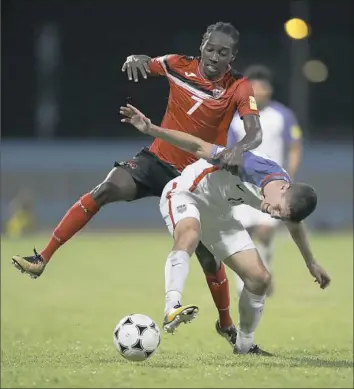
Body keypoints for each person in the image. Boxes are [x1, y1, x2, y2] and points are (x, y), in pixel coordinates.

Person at [11, 22, 263, 347]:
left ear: (232, 56)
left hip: (197, 179)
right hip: (155, 162)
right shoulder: (177, 65)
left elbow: (254, 132)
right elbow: (149, 61)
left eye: (223, 52)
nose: (214, 57)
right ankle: (41, 259)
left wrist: (238, 148)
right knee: (105, 189)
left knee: (208, 258)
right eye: (210, 49)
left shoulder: (238, 87)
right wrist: (135, 57)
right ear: (201, 46)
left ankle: (226, 324)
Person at [119, 103, 331, 355]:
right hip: (186, 195)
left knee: (260, 279)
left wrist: (311, 263)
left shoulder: (284, 199)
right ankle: (172, 306)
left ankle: (244, 345)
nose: (273, 214)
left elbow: (294, 225)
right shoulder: (245, 164)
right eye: (277, 209)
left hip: (219, 215)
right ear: (284, 189)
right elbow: (197, 145)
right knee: (190, 233)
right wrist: (151, 128)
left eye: (280, 215)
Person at [228, 65, 303, 296]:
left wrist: (289, 174)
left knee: (265, 230)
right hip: (243, 183)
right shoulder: (235, 117)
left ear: (269, 90)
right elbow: (228, 148)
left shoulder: (283, 115)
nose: (259, 92)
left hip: (272, 185)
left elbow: (294, 146)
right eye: (254, 88)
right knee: (243, 233)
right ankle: (245, 281)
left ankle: (264, 270)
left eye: (263, 87)